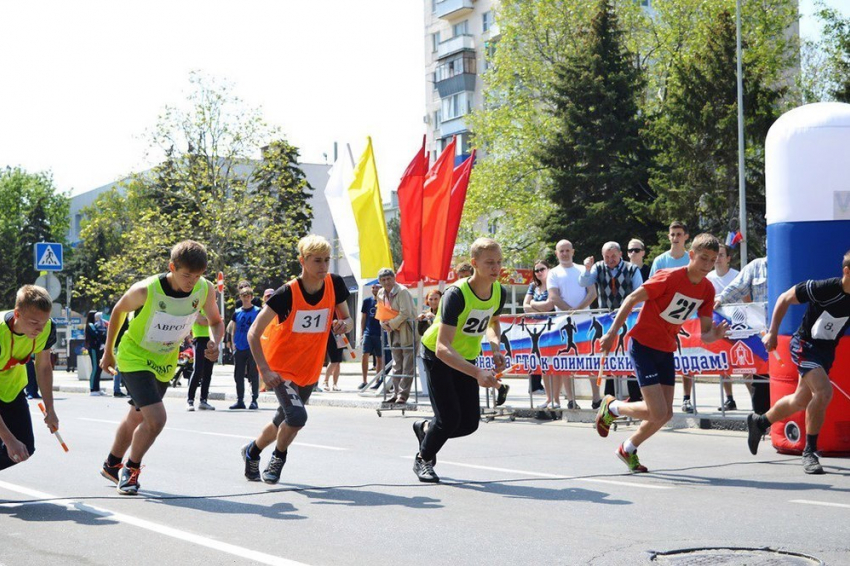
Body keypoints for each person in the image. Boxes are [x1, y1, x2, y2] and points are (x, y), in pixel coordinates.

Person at [595, 234, 728, 473]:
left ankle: (628, 447)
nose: (707, 265)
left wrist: (715, 336)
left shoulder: (707, 289)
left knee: (665, 414)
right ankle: (612, 407)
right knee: (656, 410)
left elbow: (705, 333)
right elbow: (631, 298)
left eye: (712, 260)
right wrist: (613, 332)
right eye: (703, 258)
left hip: (666, 348)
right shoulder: (669, 277)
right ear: (691, 255)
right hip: (643, 344)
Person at [99, 240, 224, 495]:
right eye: (186, 275)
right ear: (172, 267)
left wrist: (215, 341)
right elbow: (118, 311)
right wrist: (108, 352)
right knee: (156, 419)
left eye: (197, 275)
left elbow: (216, 320)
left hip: (165, 360)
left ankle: (112, 464)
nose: (191, 281)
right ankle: (130, 471)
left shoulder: (205, 289)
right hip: (134, 356)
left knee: (138, 416)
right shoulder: (146, 290)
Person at [240, 235, 352, 484]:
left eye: (327, 260)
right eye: (317, 261)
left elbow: (348, 319)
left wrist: (344, 324)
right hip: (281, 369)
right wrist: (265, 371)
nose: (323, 267)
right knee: (297, 417)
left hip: (310, 368)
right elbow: (253, 333)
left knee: (284, 418)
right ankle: (278, 458)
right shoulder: (286, 293)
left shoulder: (334, 284)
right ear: (302, 261)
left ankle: (252, 451)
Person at [413, 237, 508, 483]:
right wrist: (477, 373)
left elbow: (493, 323)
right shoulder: (456, 294)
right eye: (489, 263)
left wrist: (496, 348)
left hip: (466, 356)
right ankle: (423, 459)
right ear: (475, 263)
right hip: (438, 354)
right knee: (448, 419)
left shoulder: (499, 290)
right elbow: (444, 347)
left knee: (468, 424)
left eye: (499, 262)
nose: (496, 268)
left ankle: (425, 429)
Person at [749, 251, 850, 475]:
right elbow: (784, 297)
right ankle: (810, 452)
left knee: (800, 400)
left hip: (826, 351)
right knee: (823, 393)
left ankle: (760, 422)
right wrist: (773, 332)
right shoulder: (824, 288)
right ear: (846, 272)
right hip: (805, 345)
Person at [0, 285, 59, 471]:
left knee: (24, 448)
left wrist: (50, 409)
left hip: (13, 389)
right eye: (34, 323)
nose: (40, 329)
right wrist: (8, 440)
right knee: (11, 444)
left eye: (44, 322)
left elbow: (43, 367)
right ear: (17, 314)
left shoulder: (47, 329)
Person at [580, 242, 644, 404]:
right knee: (608, 355)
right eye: (606, 257)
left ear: (621, 254)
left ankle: (635, 395)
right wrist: (587, 269)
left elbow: (639, 294)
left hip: (628, 318)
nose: (610, 259)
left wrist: (633, 315)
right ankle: (609, 396)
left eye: (613, 256)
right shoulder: (598, 267)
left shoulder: (632, 269)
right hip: (606, 319)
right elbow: (584, 283)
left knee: (629, 354)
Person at [649, 221, 696, 413]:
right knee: (662, 359)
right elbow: (651, 287)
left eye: (679, 234)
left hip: (688, 318)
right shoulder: (660, 261)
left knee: (688, 361)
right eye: (672, 234)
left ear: (686, 237)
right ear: (669, 236)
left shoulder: (691, 260)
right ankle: (661, 400)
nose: (675, 238)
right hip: (664, 319)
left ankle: (686, 398)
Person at [714, 255, 770, 414]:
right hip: (763, 339)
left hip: (787, 335)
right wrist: (719, 300)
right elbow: (737, 287)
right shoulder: (756, 266)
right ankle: (760, 426)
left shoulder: (792, 261)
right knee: (762, 385)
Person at [547, 239, 599, 409]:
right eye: (561, 251)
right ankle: (571, 399)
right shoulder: (553, 273)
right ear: (556, 253)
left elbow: (592, 293)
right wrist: (570, 311)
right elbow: (553, 297)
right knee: (566, 363)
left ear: (573, 252)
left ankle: (596, 398)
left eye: (567, 250)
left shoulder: (584, 270)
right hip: (563, 324)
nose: (564, 253)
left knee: (591, 360)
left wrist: (578, 309)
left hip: (585, 322)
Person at [706, 244, 741, 411]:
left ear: (728, 258)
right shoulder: (709, 277)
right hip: (719, 326)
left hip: (738, 325)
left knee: (747, 365)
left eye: (721, 255)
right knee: (723, 363)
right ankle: (729, 399)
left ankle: (757, 402)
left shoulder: (737, 276)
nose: (717, 259)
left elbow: (747, 299)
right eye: (715, 256)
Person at [377, 268, 416, 404]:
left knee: (407, 365)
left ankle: (403, 395)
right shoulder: (381, 293)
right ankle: (395, 394)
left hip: (407, 330)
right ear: (380, 281)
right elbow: (381, 311)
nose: (386, 282)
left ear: (394, 278)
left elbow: (405, 312)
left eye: (389, 278)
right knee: (396, 364)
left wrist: (391, 324)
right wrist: (383, 323)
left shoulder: (402, 291)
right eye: (383, 279)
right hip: (392, 331)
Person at [523, 259, 553, 397]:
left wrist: (534, 304)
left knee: (548, 357)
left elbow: (550, 306)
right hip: (534, 326)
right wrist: (539, 306)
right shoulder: (533, 286)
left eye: (542, 269)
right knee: (534, 355)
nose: (539, 272)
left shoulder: (553, 284)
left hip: (551, 327)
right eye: (537, 270)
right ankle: (534, 386)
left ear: (548, 269)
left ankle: (552, 392)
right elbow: (525, 306)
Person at [229, 287, 261, 410]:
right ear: (240, 297)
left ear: (251, 297)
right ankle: (240, 400)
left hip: (252, 346)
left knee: (253, 373)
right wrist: (233, 344)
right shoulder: (237, 312)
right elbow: (234, 329)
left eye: (248, 296)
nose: (246, 298)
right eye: (243, 295)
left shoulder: (258, 311)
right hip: (240, 346)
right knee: (238, 375)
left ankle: (254, 400)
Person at [186, 308, 216, 411]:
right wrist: (211, 321)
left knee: (208, 371)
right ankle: (190, 400)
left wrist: (210, 321)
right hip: (199, 340)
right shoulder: (196, 307)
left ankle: (203, 400)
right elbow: (202, 321)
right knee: (198, 370)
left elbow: (218, 322)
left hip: (211, 339)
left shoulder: (212, 308)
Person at [360, 284, 385, 390]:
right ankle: (364, 381)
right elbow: (363, 318)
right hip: (368, 333)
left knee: (380, 357)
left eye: (377, 287)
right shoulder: (366, 301)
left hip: (380, 333)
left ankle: (377, 381)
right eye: (373, 287)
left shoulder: (384, 301)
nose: (375, 289)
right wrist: (361, 334)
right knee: (364, 355)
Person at [85, 311, 107, 396]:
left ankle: (97, 388)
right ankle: (93, 389)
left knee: (99, 368)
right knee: (95, 368)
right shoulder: (90, 325)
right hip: (94, 349)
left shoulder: (96, 324)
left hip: (98, 348)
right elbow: (96, 334)